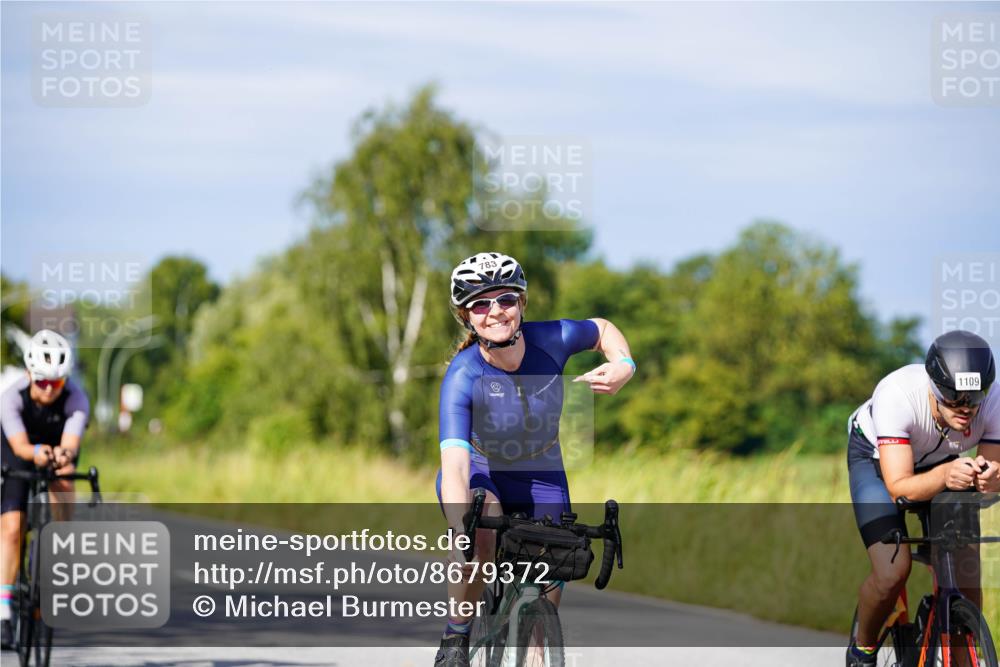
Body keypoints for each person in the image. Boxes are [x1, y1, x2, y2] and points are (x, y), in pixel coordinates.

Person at [433, 252, 635, 667]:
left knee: (553, 570)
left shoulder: (552, 339)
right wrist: (461, 527)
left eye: (505, 299)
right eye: (481, 304)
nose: (495, 312)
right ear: (466, 316)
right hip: (481, 471)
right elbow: (454, 464)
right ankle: (455, 638)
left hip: (543, 471)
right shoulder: (463, 375)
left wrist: (623, 365)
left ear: (522, 303)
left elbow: (602, 329)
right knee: (480, 539)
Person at [846, 329, 1000, 666]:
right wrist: (946, 475)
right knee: (892, 572)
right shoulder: (897, 394)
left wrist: (991, 480)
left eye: (974, 399)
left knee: (966, 578)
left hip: (942, 463)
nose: (965, 409)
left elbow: (992, 473)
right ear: (933, 387)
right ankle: (863, 650)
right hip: (877, 461)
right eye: (954, 397)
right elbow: (898, 486)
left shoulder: (994, 400)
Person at [0, 330, 89, 650]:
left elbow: (70, 443)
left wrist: (61, 456)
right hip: (17, 450)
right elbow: (21, 446)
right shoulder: (11, 397)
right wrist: (37, 452)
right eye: (43, 382)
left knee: (65, 475)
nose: (50, 389)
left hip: (54, 450)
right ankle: (4, 611)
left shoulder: (77, 398)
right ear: (29, 375)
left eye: (57, 383)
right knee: (12, 528)